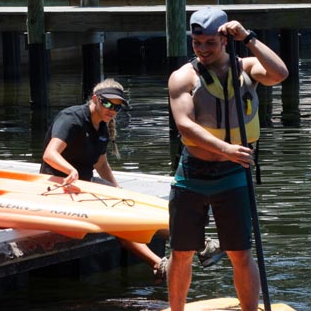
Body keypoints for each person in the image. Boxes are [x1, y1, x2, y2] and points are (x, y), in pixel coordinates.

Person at [166, 7, 289, 311]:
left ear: (224, 38)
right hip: (192, 172)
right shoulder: (182, 78)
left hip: (233, 175)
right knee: (181, 252)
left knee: (239, 252)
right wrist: (226, 149)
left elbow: (280, 74)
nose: (203, 50)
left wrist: (248, 38)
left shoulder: (245, 68)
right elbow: (186, 127)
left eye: (210, 43)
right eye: (196, 43)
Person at [39, 79, 222, 279]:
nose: (112, 110)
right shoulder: (71, 119)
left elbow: (101, 164)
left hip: (84, 185)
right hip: (58, 185)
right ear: (95, 99)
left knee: (132, 206)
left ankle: (202, 246)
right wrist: (70, 170)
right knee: (117, 218)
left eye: (117, 107)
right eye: (108, 103)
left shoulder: (101, 127)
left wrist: (118, 190)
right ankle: (159, 264)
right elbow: (50, 154)